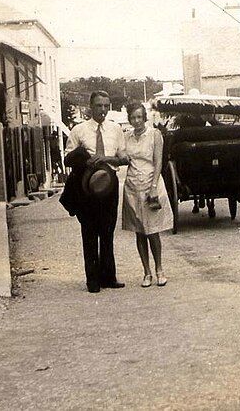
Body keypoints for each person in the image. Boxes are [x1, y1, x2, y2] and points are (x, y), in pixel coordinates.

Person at [64, 91, 128, 292]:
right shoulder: (79, 130)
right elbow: (67, 158)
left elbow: (124, 158)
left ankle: (109, 276)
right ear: (91, 107)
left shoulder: (116, 129)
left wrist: (107, 159)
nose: (103, 110)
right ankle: (92, 279)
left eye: (106, 106)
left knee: (108, 231)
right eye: (99, 106)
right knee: (89, 231)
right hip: (87, 187)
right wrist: (84, 158)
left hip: (109, 185)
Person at [121, 102, 173, 287]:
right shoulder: (126, 137)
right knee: (139, 232)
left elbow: (158, 161)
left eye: (139, 117)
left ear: (145, 118)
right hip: (132, 186)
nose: (136, 121)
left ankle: (159, 270)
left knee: (152, 231)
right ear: (129, 119)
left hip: (151, 184)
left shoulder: (154, 135)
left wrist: (153, 186)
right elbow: (121, 157)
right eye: (133, 118)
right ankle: (146, 272)